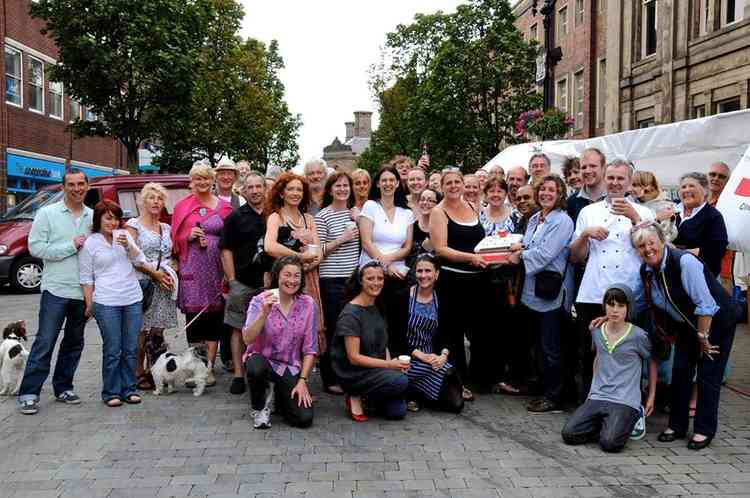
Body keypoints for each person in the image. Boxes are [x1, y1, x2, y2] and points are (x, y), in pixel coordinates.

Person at [632, 222, 738, 450]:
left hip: (716, 322)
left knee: (708, 374)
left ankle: (704, 429)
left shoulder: (684, 262)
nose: (647, 249)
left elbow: (706, 304)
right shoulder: (647, 271)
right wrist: (611, 317)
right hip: (688, 325)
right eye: (641, 246)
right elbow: (638, 303)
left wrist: (704, 338)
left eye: (651, 243)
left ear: (662, 241)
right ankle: (677, 425)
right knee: (680, 372)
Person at [569, 160, 654, 400]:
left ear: (629, 182)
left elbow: (652, 249)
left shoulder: (645, 212)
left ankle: (628, 403)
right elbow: (575, 257)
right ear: (605, 179)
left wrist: (634, 216)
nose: (615, 183)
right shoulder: (588, 212)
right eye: (611, 178)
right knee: (589, 351)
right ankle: (589, 400)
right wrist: (586, 234)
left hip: (629, 294)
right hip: (594, 291)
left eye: (621, 178)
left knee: (628, 353)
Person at [18, 169, 92, 415]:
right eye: (71, 184)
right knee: (45, 341)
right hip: (56, 289)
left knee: (74, 343)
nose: (77, 188)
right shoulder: (47, 214)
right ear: (63, 187)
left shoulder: (93, 216)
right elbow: (36, 248)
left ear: (87, 185)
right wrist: (70, 246)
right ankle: (29, 392)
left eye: (81, 184)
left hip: (82, 292)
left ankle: (63, 387)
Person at [502, 175, 574, 412]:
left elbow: (545, 254)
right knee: (539, 347)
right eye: (542, 189)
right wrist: (521, 248)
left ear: (560, 194)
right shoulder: (534, 218)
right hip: (531, 291)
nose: (545, 194)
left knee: (552, 347)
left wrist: (520, 254)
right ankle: (542, 387)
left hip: (550, 292)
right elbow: (530, 245)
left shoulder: (562, 221)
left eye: (551, 190)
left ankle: (555, 397)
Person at [562, 285, 657, 452]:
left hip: (625, 399)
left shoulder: (638, 336)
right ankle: (607, 423)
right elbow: (598, 357)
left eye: (621, 306)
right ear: (604, 306)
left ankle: (633, 417)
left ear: (628, 308)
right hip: (599, 395)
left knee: (610, 444)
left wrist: (650, 397)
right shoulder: (596, 329)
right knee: (569, 434)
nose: (615, 310)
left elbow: (652, 362)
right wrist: (592, 390)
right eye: (611, 304)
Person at [79, 200, 150, 407]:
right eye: (108, 218)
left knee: (130, 347)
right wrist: (90, 304)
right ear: (98, 219)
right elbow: (86, 277)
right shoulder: (90, 243)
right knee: (113, 348)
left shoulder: (125, 235)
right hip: (106, 301)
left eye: (116, 218)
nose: (113, 222)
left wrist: (129, 247)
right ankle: (111, 392)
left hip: (131, 298)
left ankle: (129, 389)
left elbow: (140, 260)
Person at [172, 161, 233, 387]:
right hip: (192, 267)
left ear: (212, 180)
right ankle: (194, 368)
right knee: (194, 317)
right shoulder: (182, 206)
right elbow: (174, 239)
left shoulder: (224, 208)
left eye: (206, 178)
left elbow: (232, 238)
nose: (202, 182)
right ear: (192, 181)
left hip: (216, 266)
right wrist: (187, 237)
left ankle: (208, 369)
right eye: (198, 178)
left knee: (214, 316)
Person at [430, 168, 488, 400]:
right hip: (452, 281)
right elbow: (441, 249)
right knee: (452, 333)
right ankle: (456, 381)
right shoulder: (438, 211)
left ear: (463, 185)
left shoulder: (473, 207)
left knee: (479, 331)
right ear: (442, 187)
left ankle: (477, 378)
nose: (453, 186)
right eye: (449, 183)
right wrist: (470, 258)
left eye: (457, 182)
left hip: (477, 279)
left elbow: (481, 242)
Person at [242, 256, 316, 429]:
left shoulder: (308, 304)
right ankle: (259, 408)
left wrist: (303, 380)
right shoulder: (260, 300)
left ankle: (279, 396)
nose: (291, 280)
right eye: (287, 275)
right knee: (255, 367)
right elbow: (247, 338)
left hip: (289, 366)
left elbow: (310, 349)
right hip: (262, 360)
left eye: (296, 276)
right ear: (277, 276)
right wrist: (263, 314)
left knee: (303, 419)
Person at [331, 262, 411, 421]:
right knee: (401, 381)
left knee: (397, 412)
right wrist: (390, 366)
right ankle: (355, 393)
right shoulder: (351, 314)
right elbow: (354, 358)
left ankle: (369, 397)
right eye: (370, 278)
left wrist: (391, 366)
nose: (376, 283)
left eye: (380, 278)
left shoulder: (378, 304)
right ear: (361, 281)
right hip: (354, 373)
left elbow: (384, 343)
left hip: (376, 368)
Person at [389, 254, 464, 413]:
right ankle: (411, 389)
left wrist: (443, 355)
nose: (423, 275)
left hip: (432, 358)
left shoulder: (442, 299)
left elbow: (447, 333)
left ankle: (415, 392)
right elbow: (395, 337)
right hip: (406, 358)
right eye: (419, 271)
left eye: (428, 271)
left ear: (436, 274)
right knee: (445, 375)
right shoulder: (401, 298)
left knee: (456, 405)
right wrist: (421, 356)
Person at [264, 172, 326, 352]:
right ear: (281, 193)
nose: (295, 193)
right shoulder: (276, 217)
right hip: (285, 280)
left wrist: (310, 264)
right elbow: (269, 246)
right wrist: (299, 258)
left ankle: (305, 371)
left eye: (299, 189)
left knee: (309, 324)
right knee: (286, 323)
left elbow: (317, 251)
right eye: (290, 189)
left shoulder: (309, 219)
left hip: (309, 278)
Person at [125, 183, 178, 391]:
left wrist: (172, 271)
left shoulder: (167, 228)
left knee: (157, 332)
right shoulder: (133, 225)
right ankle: (138, 372)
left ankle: (154, 370)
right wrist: (154, 273)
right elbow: (132, 257)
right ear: (142, 201)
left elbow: (174, 255)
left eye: (160, 199)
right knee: (140, 331)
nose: (156, 202)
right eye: (151, 198)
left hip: (163, 286)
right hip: (142, 283)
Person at [219, 172, 267, 395]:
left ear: (265, 189)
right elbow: (225, 249)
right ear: (244, 191)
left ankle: (265, 370)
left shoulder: (273, 214)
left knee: (267, 328)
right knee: (238, 328)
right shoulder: (235, 217)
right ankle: (239, 374)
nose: (255, 190)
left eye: (259, 186)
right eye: (251, 187)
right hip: (243, 282)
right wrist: (232, 280)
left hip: (269, 283)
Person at [315, 171, 361, 395]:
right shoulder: (322, 216)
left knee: (351, 330)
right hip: (331, 280)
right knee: (333, 329)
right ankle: (330, 376)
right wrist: (342, 238)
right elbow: (318, 253)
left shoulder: (356, 214)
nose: (342, 189)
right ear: (330, 190)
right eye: (338, 186)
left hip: (353, 280)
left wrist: (358, 219)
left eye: (346, 186)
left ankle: (349, 373)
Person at [358, 165, 414, 308]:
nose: (388, 184)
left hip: (397, 274)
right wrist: (385, 265)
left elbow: (407, 248)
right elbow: (366, 242)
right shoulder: (370, 206)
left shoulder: (407, 213)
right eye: (384, 180)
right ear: (377, 184)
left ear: (397, 183)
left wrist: (387, 263)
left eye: (391, 180)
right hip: (371, 274)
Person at [673, 172, 728, 277]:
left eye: (691, 186)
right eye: (683, 187)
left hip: (699, 275)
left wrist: (676, 253)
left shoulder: (712, 216)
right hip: (671, 274)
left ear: (705, 191)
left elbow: (716, 250)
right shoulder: (671, 209)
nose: (687, 190)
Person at [707, 162, 734, 292]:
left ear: (728, 181)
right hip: (697, 263)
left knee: (724, 309)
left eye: (721, 176)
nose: (716, 178)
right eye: (713, 174)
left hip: (722, 268)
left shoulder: (731, 204)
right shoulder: (697, 201)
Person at [631, 170, 677, 241]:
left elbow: (663, 236)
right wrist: (656, 217)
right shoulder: (632, 200)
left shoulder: (665, 207)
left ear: (648, 186)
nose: (631, 188)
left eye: (635, 185)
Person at [567, 148, 607, 223]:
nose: (588, 171)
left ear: (603, 168)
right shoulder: (572, 202)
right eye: (584, 167)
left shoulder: (617, 197)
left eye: (593, 166)